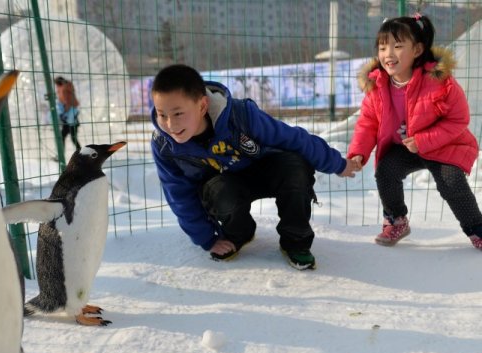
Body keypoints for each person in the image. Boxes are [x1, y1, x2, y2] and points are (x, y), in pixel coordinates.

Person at [150, 64, 360, 270]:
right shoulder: (164, 145)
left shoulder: (240, 115)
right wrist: (206, 239)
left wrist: (337, 164)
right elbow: (178, 194)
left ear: (203, 106)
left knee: (295, 166)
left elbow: (295, 139)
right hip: (224, 186)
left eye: (178, 114)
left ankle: (295, 242)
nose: (170, 124)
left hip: (263, 170)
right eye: (162, 114)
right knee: (221, 192)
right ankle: (239, 233)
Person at [347, 14, 482, 250]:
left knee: (451, 182)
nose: (388, 54)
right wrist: (358, 152)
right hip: (405, 148)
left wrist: (423, 140)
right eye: (382, 47)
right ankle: (396, 219)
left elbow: (458, 119)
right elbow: (367, 123)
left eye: (398, 46)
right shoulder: (377, 87)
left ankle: (476, 229)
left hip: (444, 145)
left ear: (417, 50)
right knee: (386, 171)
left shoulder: (439, 81)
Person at [54, 76, 81, 151]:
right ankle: (61, 154)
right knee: (65, 136)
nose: (56, 86)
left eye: (56, 84)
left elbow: (68, 101)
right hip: (67, 113)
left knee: (71, 137)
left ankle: (80, 153)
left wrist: (64, 112)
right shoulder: (62, 88)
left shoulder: (65, 88)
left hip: (70, 113)